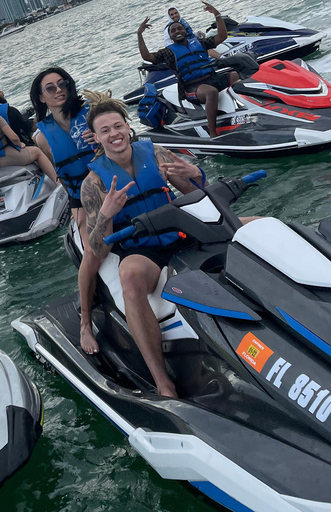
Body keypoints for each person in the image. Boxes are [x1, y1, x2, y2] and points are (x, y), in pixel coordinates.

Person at [79, 93, 208, 398]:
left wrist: (196, 175)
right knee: (128, 276)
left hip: (178, 230)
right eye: (105, 130)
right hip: (141, 249)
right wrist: (107, 215)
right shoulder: (93, 183)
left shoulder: (155, 153)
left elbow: (196, 194)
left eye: (117, 126)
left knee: (251, 224)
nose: (114, 134)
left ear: (128, 126)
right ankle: (162, 381)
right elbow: (98, 247)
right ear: (96, 138)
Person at [29, 68, 101, 355]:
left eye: (63, 84)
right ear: (41, 97)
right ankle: (85, 322)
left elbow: (123, 137)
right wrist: (74, 201)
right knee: (92, 252)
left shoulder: (92, 113)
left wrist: (101, 141)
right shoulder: (41, 137)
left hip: (110, 184)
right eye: (50, 88)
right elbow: (55, 172)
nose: (58, 90)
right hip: (80, 198)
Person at [138, 2, 248, 138]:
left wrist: (217, 15)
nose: (177, 32)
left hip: (212, 78)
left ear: (185, 30)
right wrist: (140, 34)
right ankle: (213, 133)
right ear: (170, 36)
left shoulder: (198, 43)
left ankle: (247, 109)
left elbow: (222, 37)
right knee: (211, 92)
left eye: (179, 29)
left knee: (238, 75)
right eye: (173, 31)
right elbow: (147, 56)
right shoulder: (168, 53)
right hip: (191, 87)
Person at [0, 92, 58, 185]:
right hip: (8, 156)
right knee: (37, 152)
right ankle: (57, 182)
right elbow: (14, 138)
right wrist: (20, 144)